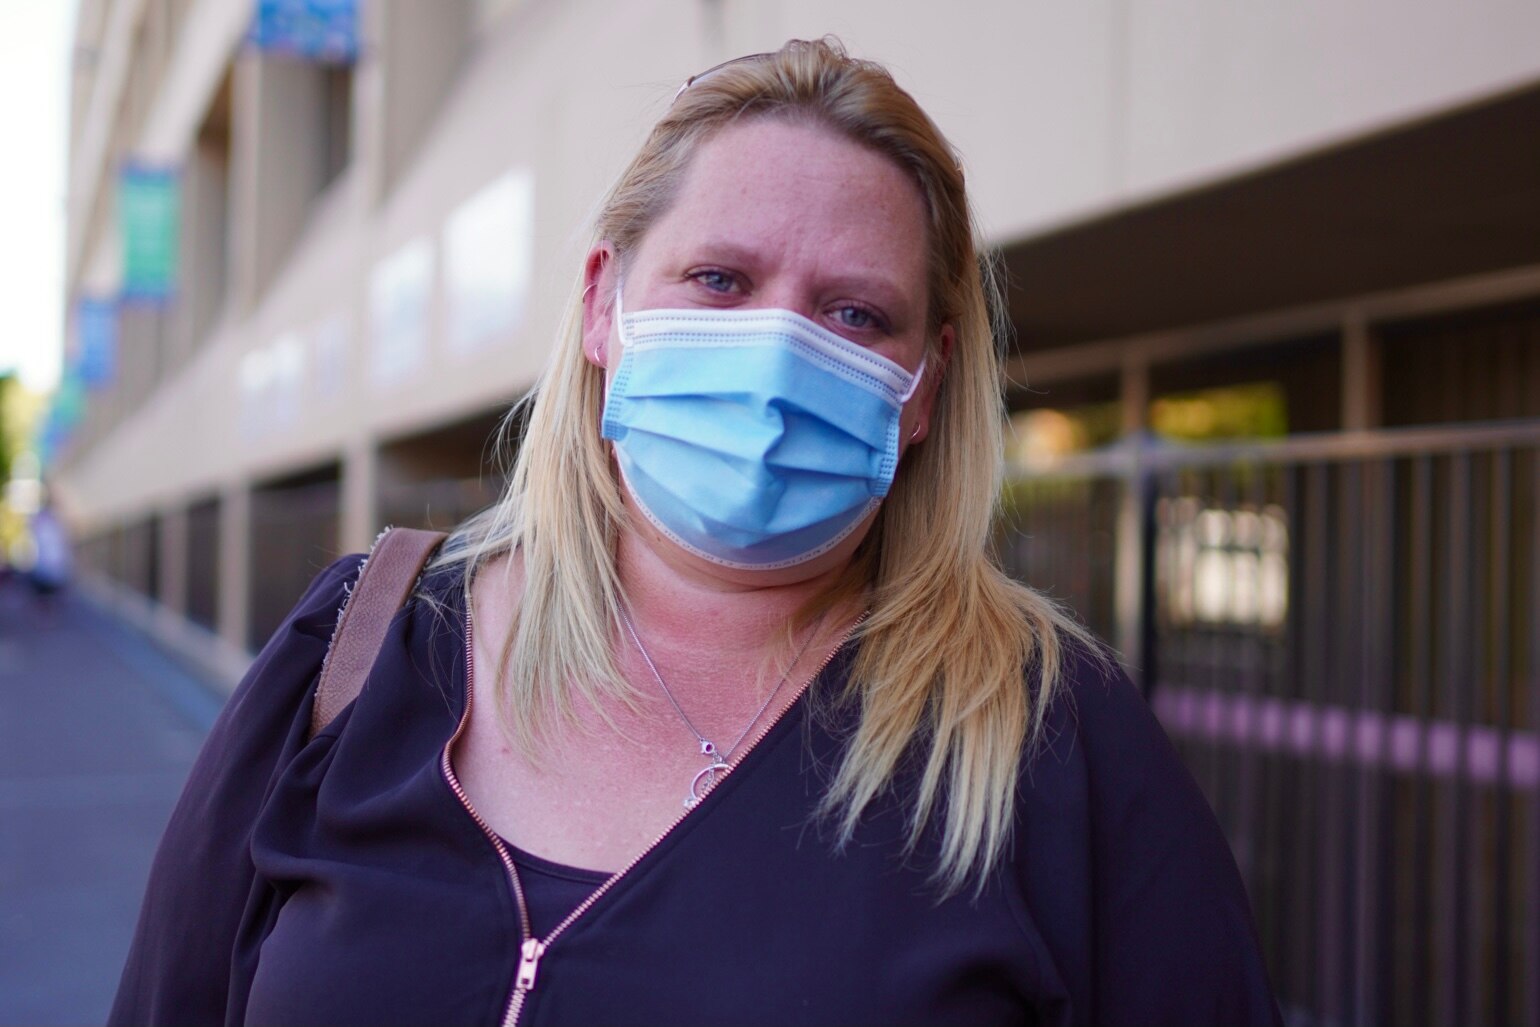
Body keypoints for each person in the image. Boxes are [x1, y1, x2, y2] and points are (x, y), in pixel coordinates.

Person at [110, 39, 1279, 1026]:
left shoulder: (1047, 736)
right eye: (719, 280)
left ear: (923, 386)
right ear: (601, 306)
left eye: (854, 312)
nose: (776, 355)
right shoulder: (358, 651)